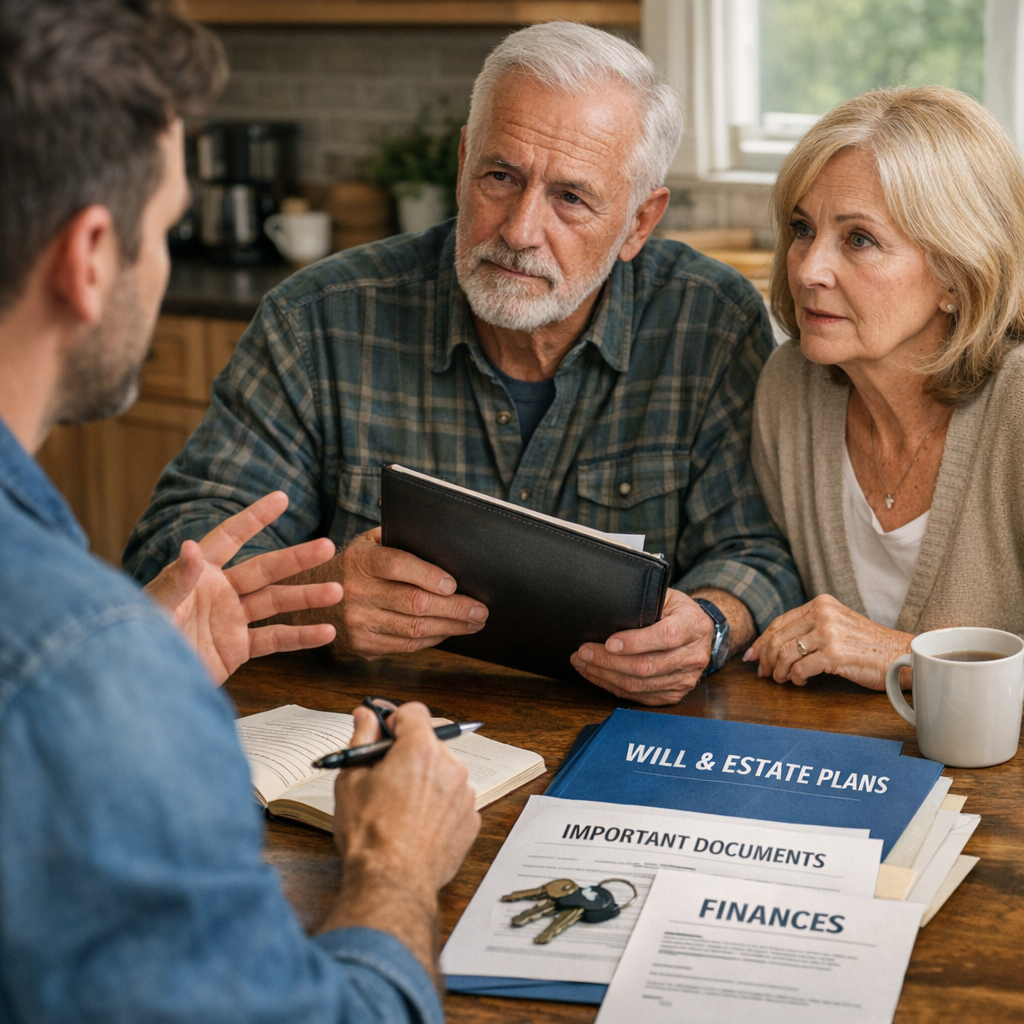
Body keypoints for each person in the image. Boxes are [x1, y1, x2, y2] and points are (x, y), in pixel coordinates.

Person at [0, 2, 479, 1021]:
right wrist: (394, 867)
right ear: (90, 257)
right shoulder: (78, 659)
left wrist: (135, 666)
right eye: (168, 226)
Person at [124, 21, 802, 706]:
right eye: (501, 176)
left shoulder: (709, 322)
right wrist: (316, 604)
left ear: (639, 223)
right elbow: (175, 555)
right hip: (367, 731)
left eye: (571, 197)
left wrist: (711, 625)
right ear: (462, 166)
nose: (519, 230)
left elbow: (757, 554)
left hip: (614, 742)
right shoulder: (318, 319)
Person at [745, 85, 1024, 690]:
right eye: (801, 228)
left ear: (957, 271)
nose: (809, 269)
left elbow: (874, 654)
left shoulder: (1018, 408)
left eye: (859, 239)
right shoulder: (788, 389)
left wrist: (902, 656)